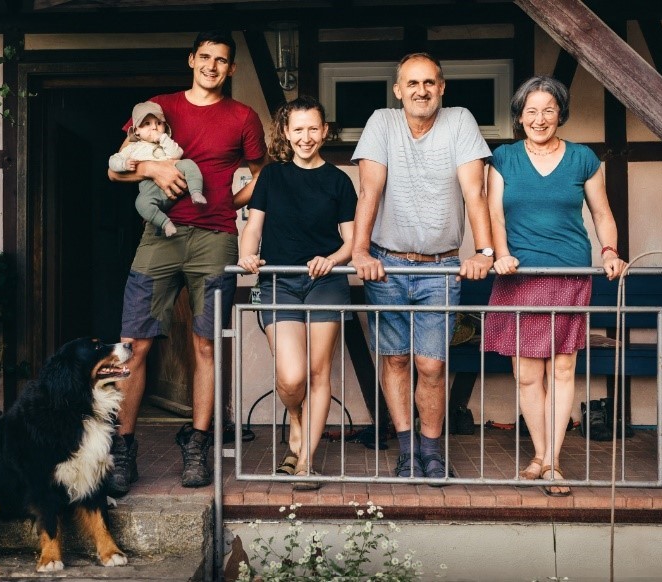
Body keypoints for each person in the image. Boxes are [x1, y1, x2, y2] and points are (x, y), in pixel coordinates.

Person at [106, 30, 267, 494]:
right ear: (191, 60)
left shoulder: (243, 116)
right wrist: (153, 168)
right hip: (158, 236)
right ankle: (124, 447)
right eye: (205, 57)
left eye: (221, 60)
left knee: (206, 345)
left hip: (216, 239)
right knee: (133, 344)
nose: (212, 66)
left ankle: (197, 443)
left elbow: (262, 174)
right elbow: (113, 168)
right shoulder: (159, 107)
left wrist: (230, 199)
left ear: (231, 68)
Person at [350, 52, 494, 484]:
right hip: (387, 264)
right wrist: (360, 252)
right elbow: (369, 190)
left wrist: (484, 252)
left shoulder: (460, 120)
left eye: (429, 82)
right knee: (394, 361)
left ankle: (432, 451)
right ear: (398, 90)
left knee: (431, 365)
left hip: (442, 268)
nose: (421, 90)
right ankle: (408, 451)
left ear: (442, 87)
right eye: (412, 83)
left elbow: (475, 192)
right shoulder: (382, 121)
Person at [483, 75, 627, 496]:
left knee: (563, 367)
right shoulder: (504, 158)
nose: (539, 118)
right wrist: (501, 253)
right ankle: (540, 456)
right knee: (528, 373)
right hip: (519, 276)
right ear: (519, 117)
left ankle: (552, 461)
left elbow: (601, 213)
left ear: (560, 113)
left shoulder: (583, 158)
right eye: (531, 111)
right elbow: (495, 215)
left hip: (569, 273)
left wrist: (610, 252)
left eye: (548, 109)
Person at [237, 95, 357, 491]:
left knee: (320, 372)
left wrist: (332, 259)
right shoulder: (271, 177)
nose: (306, 137)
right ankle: (297, 417)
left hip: (325, 282)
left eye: (313, 129)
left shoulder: (339, 180)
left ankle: (305, 461)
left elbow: (351, 244)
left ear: (325, 132)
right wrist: (247, 254)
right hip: (279, 282)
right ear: (286, 133)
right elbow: (253, 228)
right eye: (298, 129)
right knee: (292, 378)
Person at [108, 101, 208, 238]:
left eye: (158, 123)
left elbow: (176, 154)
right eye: (147, 124)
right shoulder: (133, 148)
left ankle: (196, 192)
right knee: (141, 203)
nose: (154, 128)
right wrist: (124, 164)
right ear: (136, 130)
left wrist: (163, 139)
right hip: (151, 190)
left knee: (188, 163)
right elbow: (112, 161)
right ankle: (166, 224)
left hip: (176, 182)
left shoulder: (165, 142)